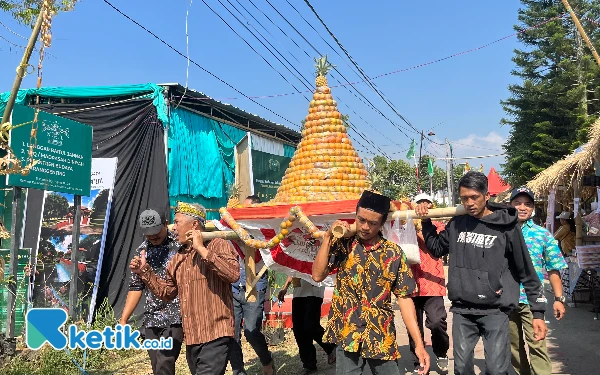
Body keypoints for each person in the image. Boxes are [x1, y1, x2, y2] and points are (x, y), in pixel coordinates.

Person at [415, 171, 547, 375]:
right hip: (463, 310)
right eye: (464, 198)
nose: (469, 203)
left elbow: (526, 270)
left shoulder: (507, 227)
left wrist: (537, 312)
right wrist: (426, 222)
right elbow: (437, 248)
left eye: (474, 197)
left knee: (496, 370)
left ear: (487, 196)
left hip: (495, 310)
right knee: (461, 368)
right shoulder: (458, 223)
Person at [312, 190, 430, 375]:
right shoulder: (344, 244)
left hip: (380, 335)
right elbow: (317, 275)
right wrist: (328, 238)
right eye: (361, 220)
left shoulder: (393, 253)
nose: (365, 227)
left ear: (382, 224)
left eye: (372, 223)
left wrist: (419, 345)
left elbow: (404, 299)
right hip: (348, 333)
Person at [130, 202, 240, 375]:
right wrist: (144, 271)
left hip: (216, 334)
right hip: (193, 338)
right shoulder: (179, 258)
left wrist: (201, 249)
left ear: (194, 225)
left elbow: (232, 274)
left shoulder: (218, 245)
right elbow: (166, 293)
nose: (173, 228)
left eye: (177, 222)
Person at [509, 187, 567, 375]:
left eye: (527, 204)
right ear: (510, 205)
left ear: (533, 208)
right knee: (513, 348)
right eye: (517, 203)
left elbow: (553, 267)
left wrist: (559, 299)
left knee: (537, 345)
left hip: (532, 301)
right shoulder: (501, 232)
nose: (522, 207)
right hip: (506, 299)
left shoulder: (542, 235)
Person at [120, 209, 183, 375]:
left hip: (176, 316)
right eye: (149, 235)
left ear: (165, 225)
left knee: (165, 362)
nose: (153, 237)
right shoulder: (141, 252)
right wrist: (124, 319)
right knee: (157, 366)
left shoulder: (180, 245)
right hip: (152, 318)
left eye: (156, 232)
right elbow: (135, 287)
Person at [229, 195, 276, 375]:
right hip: (233, 285)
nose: (242, 213)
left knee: (251, 330)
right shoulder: (233, 227)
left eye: (247, 209)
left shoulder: (264, 228)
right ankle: (238, 371)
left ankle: (266, 360)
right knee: (232, 333)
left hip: (255, 282)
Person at [408, 193, 449, 374]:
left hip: (432, 282)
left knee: (437, 322)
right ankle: (419, 361)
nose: (422, 206)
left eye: (425, 203)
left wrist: (420, 227)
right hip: (409, 282)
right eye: (418, 203)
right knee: (414, 325)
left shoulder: (438, 225)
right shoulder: (405, 224)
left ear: (431, 205)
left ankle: (441, 352)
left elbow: (436, 248)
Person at [278, 276, 336, 374]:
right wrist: (285, 288)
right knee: (299, 330)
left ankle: (330, 347)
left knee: (311, 325)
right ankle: (309, 364)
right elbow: (293, 270)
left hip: (314, 293)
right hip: (298, 295)